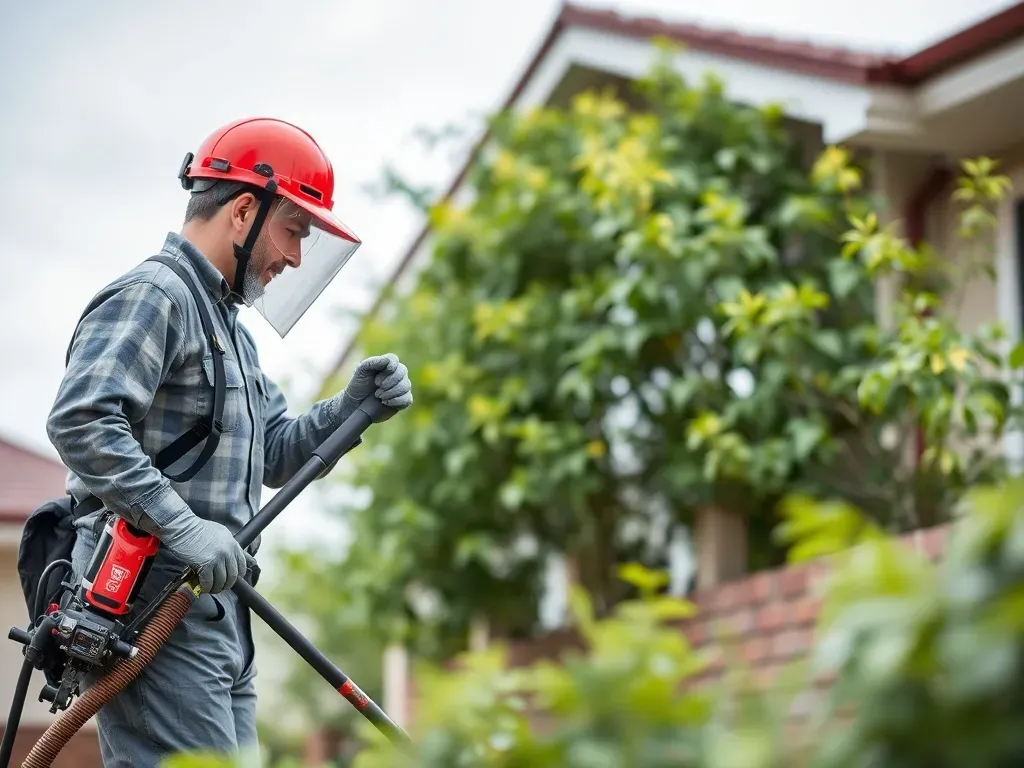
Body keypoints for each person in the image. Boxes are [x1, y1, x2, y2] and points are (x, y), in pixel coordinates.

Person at [45, 117, 413, 767]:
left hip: (217, 608)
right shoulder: (157, 295)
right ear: (244, 210)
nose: (296, 256)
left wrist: (349, 409)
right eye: (294, 230)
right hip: (152, 602)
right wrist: (184, 529)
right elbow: (81, 420)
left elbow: (273, 452)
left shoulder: (232, 333)